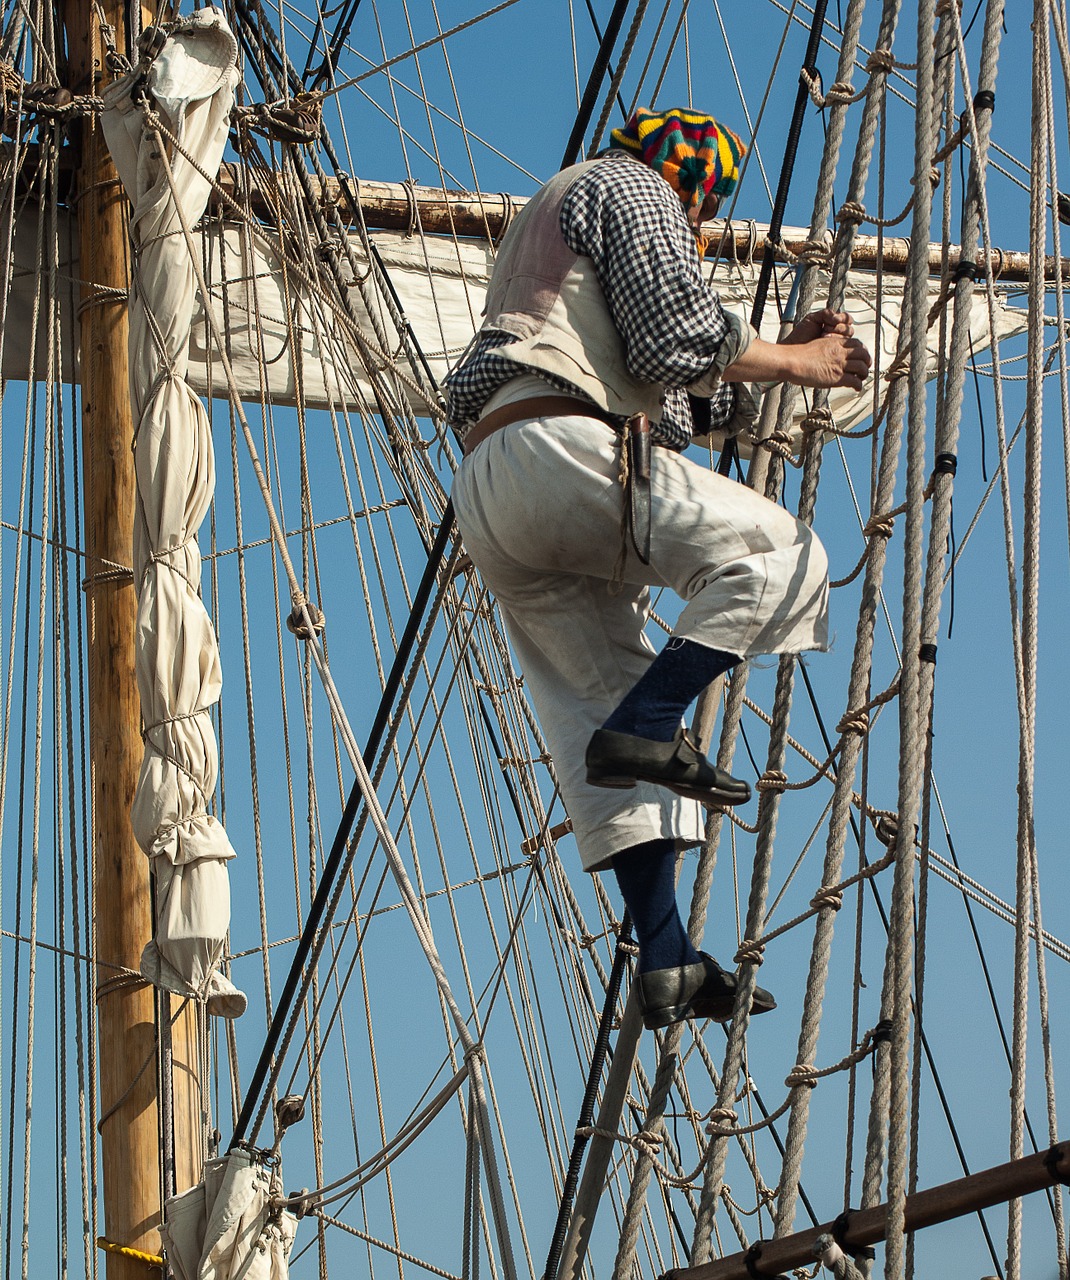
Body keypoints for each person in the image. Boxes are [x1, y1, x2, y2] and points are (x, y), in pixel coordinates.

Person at [446, 107, 871, 1031]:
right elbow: (676, 337)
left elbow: (667, 399)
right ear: (692, 183)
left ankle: (667, 954)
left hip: (493, 484)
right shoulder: (632, 187)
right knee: (789, 557)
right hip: (561, 454)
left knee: (590, 724)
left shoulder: (546, 220)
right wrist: (803, 361)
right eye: (704, 213)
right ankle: (654, 717)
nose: (701, 233)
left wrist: (769, 360)